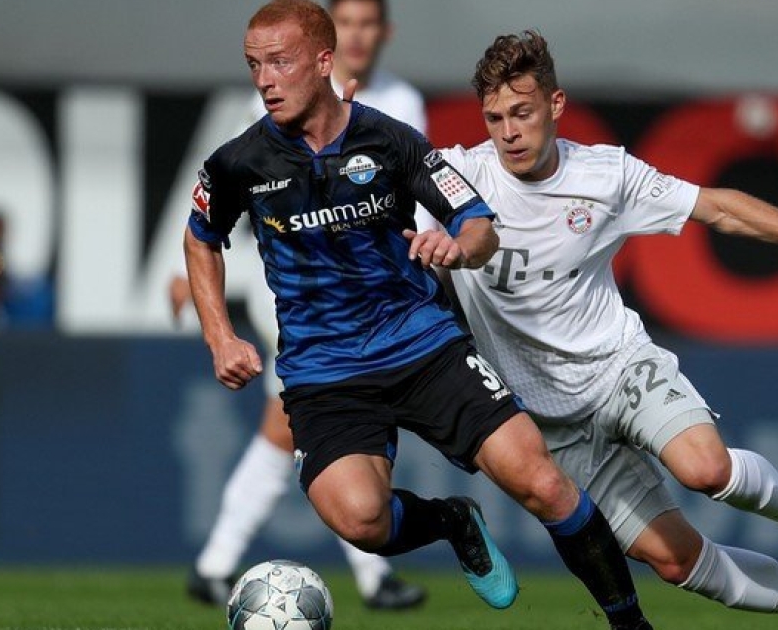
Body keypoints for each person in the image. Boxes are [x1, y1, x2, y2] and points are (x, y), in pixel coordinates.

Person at [184, 2, 653, 628]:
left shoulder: (390, 139)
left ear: (323, 63)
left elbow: (477, 222)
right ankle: (452, 521)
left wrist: (460, 248)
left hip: (422, 345)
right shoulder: (238, 162)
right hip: (325, 370)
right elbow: (200, 238)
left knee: (542, 483)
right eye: (254, 65)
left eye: (280, 63)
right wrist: (220, 337)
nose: (265, 80)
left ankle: (631, 624)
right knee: (362, 520)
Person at [434, 30, 778, 630]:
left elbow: (717, 207)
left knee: (707, 470)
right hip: (549, 421)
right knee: (677, 562)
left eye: (522, 113)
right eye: (494, 118)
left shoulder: (607, 174)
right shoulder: (455, 178)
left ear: (556, 104)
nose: (508, 132)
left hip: (619, 369)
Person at [175, 0, 428, 610]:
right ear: (326, 42)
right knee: (307, 423)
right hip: (303, 294)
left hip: (379, 298)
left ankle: (217, 564)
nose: (358, 35)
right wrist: (189, 274)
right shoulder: (280, 93)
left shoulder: (400, 103)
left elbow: (416, 191)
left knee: (287, 428)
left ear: (385, 32)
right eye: (349, 23)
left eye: (368, 24)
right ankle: (370, 574)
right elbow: (233, 183)